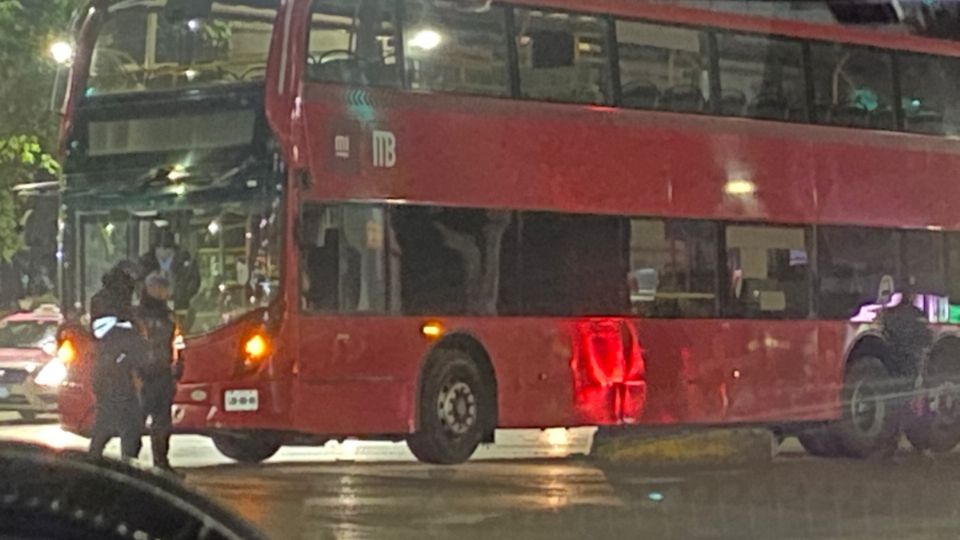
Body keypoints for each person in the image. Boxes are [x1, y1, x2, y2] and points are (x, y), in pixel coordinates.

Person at [88, 262, 149, 461]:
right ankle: (99, 461)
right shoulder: (104, 301)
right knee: (115, 423)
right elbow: (102, 332)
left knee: (125, 424)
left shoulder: (123, 304)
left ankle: (117, 462)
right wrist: (132, 335)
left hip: (120, 370)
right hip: (111, 370)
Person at [137, 272, 182, 473]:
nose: (162, 293)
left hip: (163, 374)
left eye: (164, 289)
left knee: (163, 423)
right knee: (135, 423)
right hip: (140, 375)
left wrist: (177, 366)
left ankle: (161, 463)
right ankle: (129, 463)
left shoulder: (169, 317)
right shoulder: (137, 316)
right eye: (158, 288)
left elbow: (178, 343)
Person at [138, 228, 200, 325]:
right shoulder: (145, 262)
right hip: (151, 315)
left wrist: (181, 297)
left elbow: (194, 283)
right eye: (160, 247)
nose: (163, 250)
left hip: (181, 310)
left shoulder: (186, 261)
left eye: (167, 247)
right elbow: (139, 285)